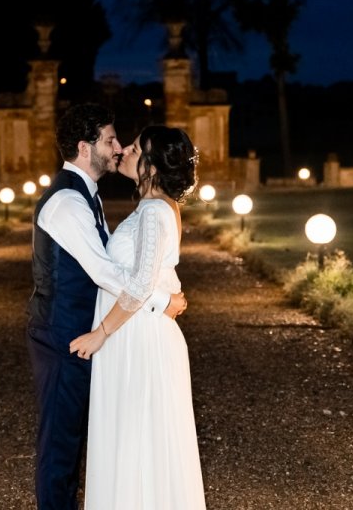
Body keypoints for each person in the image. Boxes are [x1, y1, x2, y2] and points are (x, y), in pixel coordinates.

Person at [27, 104, 187, 510]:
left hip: (101, 335)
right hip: (64, 335)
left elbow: (123, 268)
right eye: (111, 141)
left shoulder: (92, 196)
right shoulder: (67, 201)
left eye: (125, 143)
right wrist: (162, 300)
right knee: (62, 447)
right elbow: (103, 271)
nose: (118, 148)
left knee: (109, 435)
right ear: (85, 147)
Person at [69, 125, 206, 510]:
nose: (125, 151)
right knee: (138, 437)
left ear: (152, 165)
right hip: (141, 332)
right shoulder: (156, 207)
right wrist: (165, 299)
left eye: (135, 148)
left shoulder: (153, 211)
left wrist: (101, 333)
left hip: (138, 338)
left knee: (137, 437)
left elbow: (141, 283)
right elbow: (147, 282)